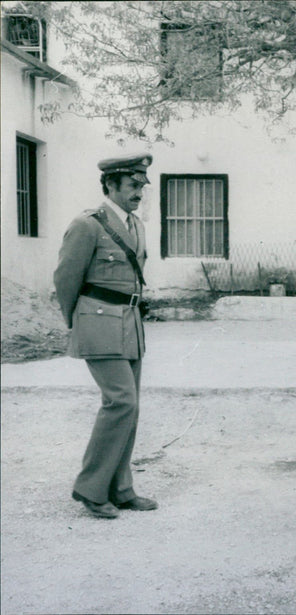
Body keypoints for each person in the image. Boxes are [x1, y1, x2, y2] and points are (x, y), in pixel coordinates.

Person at [54, 153, 157, 519]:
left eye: (141, 187)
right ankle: (91, 489)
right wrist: (77, 322)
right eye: (132, 186)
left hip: (130, 323)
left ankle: (121, 488)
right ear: (111, 185)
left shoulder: (136, 225)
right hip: (98, 322)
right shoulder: (88, 224)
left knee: (131, 407)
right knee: (121, 402)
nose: (138, 193)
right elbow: (66, 279)